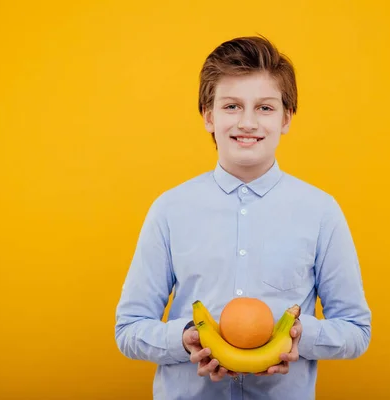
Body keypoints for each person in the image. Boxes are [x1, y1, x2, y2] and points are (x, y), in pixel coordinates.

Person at [115, 35, 372, 400]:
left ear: (286, 118)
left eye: (265, 108)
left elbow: (356, 330)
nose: (248, 122)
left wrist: (301, 336)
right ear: (209, 116)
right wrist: (183, 339)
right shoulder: (169, 209)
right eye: (232, 106)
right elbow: (129, 328)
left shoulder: (321, 212)